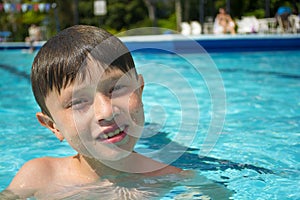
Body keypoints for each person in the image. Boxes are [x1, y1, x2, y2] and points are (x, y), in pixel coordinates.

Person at [2, 25, 182, 199]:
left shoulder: (172, 179)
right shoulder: (39, 176)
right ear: (52, 126)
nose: (106, 111)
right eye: (78, 102)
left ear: (140, 90)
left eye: (117, 88)